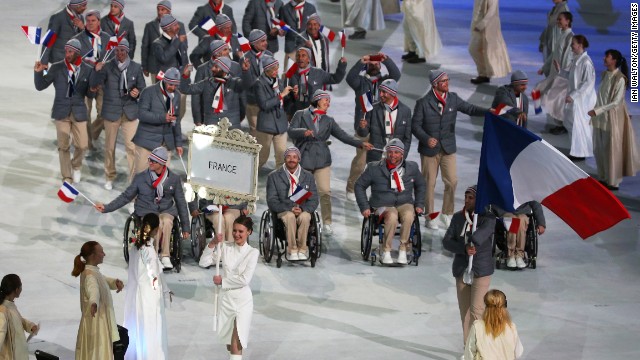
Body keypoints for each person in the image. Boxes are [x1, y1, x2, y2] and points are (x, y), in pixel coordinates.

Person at [411, 70, 490, 230]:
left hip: (448, 148)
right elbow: (415, 125)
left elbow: (470, 109)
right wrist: (427, 138)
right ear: (435, 84)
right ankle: (430, 216)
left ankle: (447, 213)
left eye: (448, 80)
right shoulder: (423, 103)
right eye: (444, 81)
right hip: (429, 150)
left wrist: (488, 111)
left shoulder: (453, 98)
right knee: (429, 184)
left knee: (452, 181)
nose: (447, 83)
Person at [288, 90, 373, 234]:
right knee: (301, 192)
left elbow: (343, 136)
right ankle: (298, 217)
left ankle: (327, 222)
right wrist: (303, 132)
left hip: (322, 160)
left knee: (325, 191)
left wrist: (360, 144)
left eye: (329, 101)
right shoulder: (300, 114)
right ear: (317, 100)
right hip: (304, 158)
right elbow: (290, 131)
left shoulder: (328, 120)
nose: (328, 103)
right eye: (325, 100)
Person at [94, 147, 191, 270]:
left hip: (166, 210)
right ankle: (154, 256)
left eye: (153, 161)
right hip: (146, 209)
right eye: (149, 160)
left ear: (162, 163)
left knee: (166, 221)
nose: (149, 162)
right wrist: (106, 208)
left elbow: (181, 202)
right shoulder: (140, 177)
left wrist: (186, 227)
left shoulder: (174, 179)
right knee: (156, 221)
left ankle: (165, 256)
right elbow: (126, 196)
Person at [354, 139, 426, 264]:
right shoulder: (373, 168)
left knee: (409, 215)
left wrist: (419, 204)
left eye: (396, 153)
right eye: (390, 152)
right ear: (386, 152)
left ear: (402, 154)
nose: (393, 155)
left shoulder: (412, 167)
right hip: (382, 204)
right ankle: (386, 250)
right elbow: (359, 185)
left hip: (404, 202)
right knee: (392, 216)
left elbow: (421, 185)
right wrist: (364, 206)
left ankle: (403, 249)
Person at [442, 185, 496, 348]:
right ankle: (468, 347)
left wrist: (470, 240)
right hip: (462, 270)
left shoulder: (488, 218)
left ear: (479, 200)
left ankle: (478, 347)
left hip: (481, 270)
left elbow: (480, 236)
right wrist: (463, 248)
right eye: (465, 197)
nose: (466, 200)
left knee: (477, 311)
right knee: (464, 312)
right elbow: (446, 241)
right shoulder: (459, 217)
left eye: (471, 198)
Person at [34, 38, 94, 184]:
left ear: (77, 52)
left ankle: (76, 166)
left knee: (82, 145)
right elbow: (40, 86)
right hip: (61, 112)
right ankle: (67, 176)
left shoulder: (87, 70)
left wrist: (93, 90)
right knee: (63, 146)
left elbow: (89, 94)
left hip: (79, 112)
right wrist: (38, 73)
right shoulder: (56, 67)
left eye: (70, 51)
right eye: (66, 51)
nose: (67, 54)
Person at [90, 39, 146, 189]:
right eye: (117, 50)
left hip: (129, 113)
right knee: (109, 147)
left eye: (122, 50)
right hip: (111, 112)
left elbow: (142, 88)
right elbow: (94, 85)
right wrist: (96, 70)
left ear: (127, 51)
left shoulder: (136, 68)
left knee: (132, 147)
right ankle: (109, 175)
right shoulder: (107, 67)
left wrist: (137, 92)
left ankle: (133, 179)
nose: (119, 53)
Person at [345, 53, 401, 201]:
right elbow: (350, 78)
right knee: (360, 161)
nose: (374, 66)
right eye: (371, 64)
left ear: (380, 66)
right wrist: (360, 62)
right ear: (367, 66)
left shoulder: (386, 82)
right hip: (363, 125)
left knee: (375, 161)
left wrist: (387, 60)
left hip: (380, 126)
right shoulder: (361, 82)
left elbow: (396, 74)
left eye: (377, 64)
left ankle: (373, 189)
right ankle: (351, 188)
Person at [588, 49, 640, 190]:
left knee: (611, 149)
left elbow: (616, 102)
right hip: (600, 117)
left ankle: (613, 181)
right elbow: (602, 96)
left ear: (614, 60)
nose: (604, 58)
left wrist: (597, 110)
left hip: (612, 118)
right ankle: (604, 177)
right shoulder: (605, 74)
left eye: (607, 57)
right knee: (600, 148)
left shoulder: (620, 79)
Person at [123, 214, 171, 360]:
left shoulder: (135, 247)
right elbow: (153, 276)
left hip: (133, 295)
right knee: (149, 330)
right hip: (147, 298)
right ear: (157, 230)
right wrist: (161, 292)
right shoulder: (148, 250)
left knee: (135, 329)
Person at [212, 216, 259, 360]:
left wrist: (223, 281)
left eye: (241, 231)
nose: (236, 234)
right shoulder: (225, 247)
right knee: (228, 343)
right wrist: (213, 243)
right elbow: (204, 261)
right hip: (226, 300)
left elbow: (245, 279)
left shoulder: (253, 252)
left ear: (249, 232)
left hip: (243, 301)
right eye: (234, 231)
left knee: (236, 343)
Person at [72, 241, 125, 360]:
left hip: (96, 322)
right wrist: (93, 303)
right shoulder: (90, 275)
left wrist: (114, 282)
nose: (104, 254)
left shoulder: (91, 271)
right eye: (101, 252)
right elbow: (93, 290)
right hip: (97, 326)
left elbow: (102, 280)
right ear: (92, 255)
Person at [266, 147, 319, 260]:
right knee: (290, 217)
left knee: (305, 217)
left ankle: (303, 249)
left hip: (302, 209)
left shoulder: (308, 176)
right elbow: (272, 201)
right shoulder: (273, 176)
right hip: (283, 210)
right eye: (289, 156)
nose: (292, 159)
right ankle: (292, 249)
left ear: (299, 159)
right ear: (284, 159)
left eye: (294, 157)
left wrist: (303, 209)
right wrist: (290, 208)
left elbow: (314, 199)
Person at [130, 67, 184, 174]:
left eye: (175, 85)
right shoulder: (148, 92)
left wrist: (178, 143)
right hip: (146, 142)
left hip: (165, 143)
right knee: (140, 176)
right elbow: (141, 114)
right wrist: (162, 117)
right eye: (170, 84)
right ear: (164, 80)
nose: (173, 88)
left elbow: (176, 121)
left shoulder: (176, 95)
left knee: (161, 179)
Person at [73, 9, 111, 148]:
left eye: (93, 21)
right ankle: (88, 143)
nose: (90, 23)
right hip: (85, 83)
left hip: (102, 83)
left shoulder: (107, 38)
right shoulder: (77, 39)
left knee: (104, 113)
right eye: (87, 21)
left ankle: (93, 133)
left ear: (99, 22)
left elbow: (112, 59)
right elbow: (75, 61)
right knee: (86, 114)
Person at [180, 57, 250, 128]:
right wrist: (185, 76)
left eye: (216, 67)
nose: (212, 69)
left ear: (224, 69)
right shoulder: (206, 83)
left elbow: (247, 84)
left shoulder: (235, 83)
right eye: (213, 66)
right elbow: (186, 89)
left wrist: (245, 72)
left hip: (231, 127)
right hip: (212, 127)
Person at [356, 79, 412, 162]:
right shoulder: (373, 109)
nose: (381, 94)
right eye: (380, 91)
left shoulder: (405, 111)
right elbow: (363, 134)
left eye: (384, 92)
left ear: (393, 93)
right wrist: (362, 127)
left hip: (395, 157)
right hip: (375, 156)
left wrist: (403, 155)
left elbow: (407, 138)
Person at [536, 11, 573, 135]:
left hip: (561, 75)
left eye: (560, 19)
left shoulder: (570, 37)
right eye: (557, 20)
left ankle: (561, 125)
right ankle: (559, 123)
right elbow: (554, 54)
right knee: (550, 95)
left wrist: (562, 72)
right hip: (555, 72)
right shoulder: (562, 35)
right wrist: (544, 67)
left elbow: (567, 57)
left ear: (567, 21)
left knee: (557, 99)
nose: (558, 22)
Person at [560, 35, 596, 161]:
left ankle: (580, 153)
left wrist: (573, 96)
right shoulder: (577, 60)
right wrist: (560, 71)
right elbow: (571, 76)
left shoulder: (586, 62)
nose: (571, 46)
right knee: (572, 124)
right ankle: (576, 151)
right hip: (575, 98)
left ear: (580, 45)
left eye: (573, 44)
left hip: (581, 101)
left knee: (578, 126)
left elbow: (587, 83)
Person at [254, 55, 293, 169]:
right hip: (266, 125)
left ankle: (280, 183)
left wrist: (291, 94)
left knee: (282, 158)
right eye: (274, 69)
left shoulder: (279, 82)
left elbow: (284, 102)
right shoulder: (259, 84)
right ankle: (247, 178)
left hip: (281, 124)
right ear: (266, 70)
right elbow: (264, 105)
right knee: (262, 158)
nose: (277, 71)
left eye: (277, 68)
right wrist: (281, 95)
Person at [286, 47, 347, 116]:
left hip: (314, 113)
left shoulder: (318, 73)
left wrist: (342, 66)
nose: (300, 58)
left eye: (303, 55)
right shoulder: (291, 75)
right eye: (298, 56)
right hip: (298, 113)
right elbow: (287, 98)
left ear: (309, 59)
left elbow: (335, 79)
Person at [464, 289, 524, 360]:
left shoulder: (477, 326)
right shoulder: (511, 327)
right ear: (505, 305)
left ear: (486, 305)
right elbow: (518, 352)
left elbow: (469, 354)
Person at [191, 201, 249, 268]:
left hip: (234, 206)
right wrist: (193, 208)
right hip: (211, 206)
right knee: (219, 219)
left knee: (229, 218)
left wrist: (245, 207)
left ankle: (231, 251)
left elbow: (246, 192)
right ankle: (221, 250)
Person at [141, 1, 186, 84]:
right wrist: (144, 66)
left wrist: (186, 66)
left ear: (169, 11)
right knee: (158, 91)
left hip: (176, 68)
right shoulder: (149, 26)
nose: (159, 12)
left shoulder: (179, 26)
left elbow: (183, 49)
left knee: (177, 93)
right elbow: (145, 47)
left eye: (162, 10)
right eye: (158, 9)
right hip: (156, 68)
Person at [468, 0, 511, 84]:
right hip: (477, 26)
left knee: (486, 51)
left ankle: (485, 74)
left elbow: (491, 12)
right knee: (473, 49)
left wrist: (482, 25)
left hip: (487, 28)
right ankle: (483, 74)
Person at [493, 202, 546, 269]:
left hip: (522, 212)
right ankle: (511, 255)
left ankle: (519, 255)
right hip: (506, 211)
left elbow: (536, 204)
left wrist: (541, 223)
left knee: (521, 219)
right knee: (513, 220)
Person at [243, 30, 275, 137]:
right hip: (253, 101)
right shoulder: (245, 58)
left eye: (265, 40)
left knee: (266, 132)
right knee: (255, 131)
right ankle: (255, 153)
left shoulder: (270, 55)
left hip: (268, 101)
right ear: (254, 43)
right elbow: (247, 83)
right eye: (262, 41)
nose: (266, 43)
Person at [0, 274, 39, 360]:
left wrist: (30, 326)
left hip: (20, 354)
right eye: (21, 285)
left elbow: (17, 319)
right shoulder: (2, 312)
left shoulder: (10, 305)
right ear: (17, 289)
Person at [41, 0, 87, 64]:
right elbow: (48, 41)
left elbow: (83, 40)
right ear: (77, 6)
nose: (86, 8)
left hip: (74, 61)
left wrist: (83, 28)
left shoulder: (81, 17)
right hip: (58, 61)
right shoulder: (58, 17)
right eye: (84, 5)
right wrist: (43, 62)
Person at [279, 0, 317, 72]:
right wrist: (282, 32)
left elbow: (315, 28)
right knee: (288, 74)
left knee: (306, 74)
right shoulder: (285, 8)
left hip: (306, 46)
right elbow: (283, 26)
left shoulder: (311, 8)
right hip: (291, 48)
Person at [539, 0, 570, 66]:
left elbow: (565, 30)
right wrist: (542, 41)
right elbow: (549, 26)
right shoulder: (555, 8)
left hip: (556, 44)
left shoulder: (564, 10)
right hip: (550, 41)